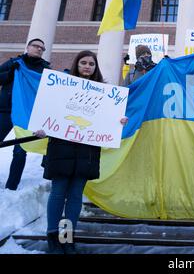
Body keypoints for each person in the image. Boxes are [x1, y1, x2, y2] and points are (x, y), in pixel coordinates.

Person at [34, 50, 128, 254]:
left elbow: (107, 120)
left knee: (76, 195)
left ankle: (67, 238)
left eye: (91, 64)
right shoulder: (60, 87)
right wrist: (41, 126)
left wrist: (117, 120)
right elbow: (47, 111)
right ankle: (53, 238)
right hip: (61, 147)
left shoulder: (104, 92)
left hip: (87, 150)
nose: (87, 66)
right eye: (84, 62)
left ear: (96, 68)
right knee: (58, 193)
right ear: (77, 64)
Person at [0, 38, 50, 190]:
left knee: (20, 150)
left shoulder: (46, 70)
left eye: (42, 48)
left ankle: (11, 187)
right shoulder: (14, 63)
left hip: (28, 114)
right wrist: (11, 72)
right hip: (6, 109)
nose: (39, 49)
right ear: (27, 47)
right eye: (36, 46)